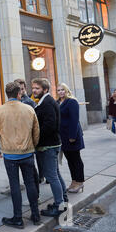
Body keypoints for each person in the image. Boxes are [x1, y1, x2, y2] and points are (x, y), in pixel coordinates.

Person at [0, 82, 41, 228]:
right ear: (19, 93)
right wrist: (33, 145)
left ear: (7, 94)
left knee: (14, 186)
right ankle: (36, 215)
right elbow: (36, 132)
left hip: (10, 154)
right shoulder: (29, 109)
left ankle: (18, 218)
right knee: (30, 183)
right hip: (27, 152)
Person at [32, 78, 68, 217]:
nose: (34, 90)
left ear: (45, 90)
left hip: (48, 146)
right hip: (51, 144)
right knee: (56, 174)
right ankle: (63, 201)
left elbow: (49, 125)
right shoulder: (46, 101)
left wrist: (36, 137)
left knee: (52, 176)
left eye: (37, 88)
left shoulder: (47, 103)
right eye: (33, 88)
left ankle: (59, 206)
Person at [57, 83, 85, 194]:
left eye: (62, 90)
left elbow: (74, 120)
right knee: (69, 160)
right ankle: (74, 181)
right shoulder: (58, 102)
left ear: (67, 90)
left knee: (76, 159)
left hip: (72, 136)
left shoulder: (72, 101)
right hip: (63, 136)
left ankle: (80, 181)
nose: (60, 92)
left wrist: (72, 136)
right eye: (58, 90)